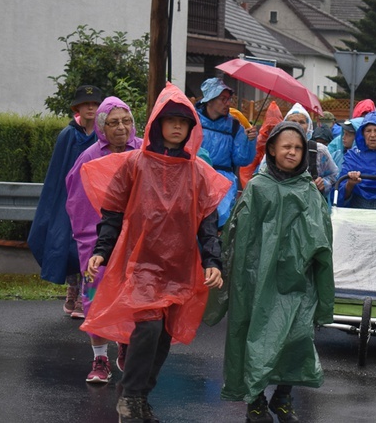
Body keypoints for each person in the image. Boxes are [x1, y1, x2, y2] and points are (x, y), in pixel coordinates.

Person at [81, 83, 230, 423]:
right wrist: (101, 250)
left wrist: (213, 261)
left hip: (178, 268)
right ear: (157, 124)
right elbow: (113, 212)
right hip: (141, 264)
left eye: (184, 121)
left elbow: (207, 223)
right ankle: (130, 397)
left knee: (163, 338)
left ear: (192, 128)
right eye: (170, 119)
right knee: (147, 330)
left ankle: (141, 397)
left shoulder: (198, 174)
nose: (177, 126)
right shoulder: (134, 164)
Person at [210, 120, 334, 423]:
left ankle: (282, 396)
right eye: (286, 146)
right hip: (256, 279)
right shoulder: (258, 187)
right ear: (273, 150)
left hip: (297, 280)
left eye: (297, 147)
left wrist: (323, 289)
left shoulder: (308, 190)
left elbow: (323, 243)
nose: (292, 152)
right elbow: (238, 237)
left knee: (296, 336)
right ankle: (255, 401)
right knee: (256, 336)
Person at [65, 97, 142, 383]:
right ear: (101, 127)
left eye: (126, 121)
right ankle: (100, 358)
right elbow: (78, 203)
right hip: (99, 242)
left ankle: (125, 341)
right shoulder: (89, 158)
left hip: (136, 241)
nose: (121, 128)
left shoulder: (144, 150)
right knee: (97, 298)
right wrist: (90, 243)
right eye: (113, 122)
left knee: (132, 296)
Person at [28, 84, 102, 317]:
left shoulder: (104, 133)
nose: (90, 107)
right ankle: (73, 289)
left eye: (95, 104)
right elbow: (56, 173)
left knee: (90, 247)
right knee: (67, 247)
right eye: (86, 104)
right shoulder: (68, 135)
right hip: (70, 199)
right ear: (77, 107)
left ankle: (85, 297)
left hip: (95, 200)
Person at [196, 77, 257, 228]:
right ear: (209, 100)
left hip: (223, 181)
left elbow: (242, 159)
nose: (228, 103)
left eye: (229, 99)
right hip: (196, 175)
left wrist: (249, 142)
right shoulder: (193, 120)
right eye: (223, 99)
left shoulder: (235, 126)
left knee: (220, 219)